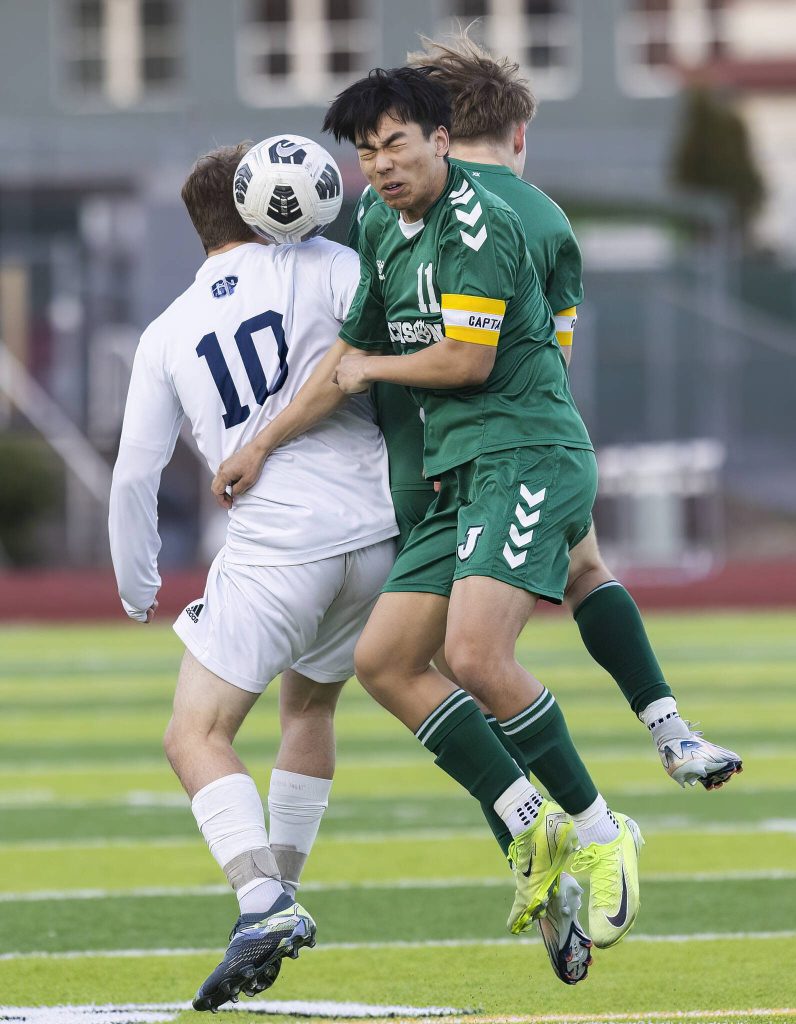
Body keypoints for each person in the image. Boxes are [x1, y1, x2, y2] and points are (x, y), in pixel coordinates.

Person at [213, 68, 644, 953]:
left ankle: (605, 834)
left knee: (476, 654)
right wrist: (264, 441)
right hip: (455, 472)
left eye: (396, 143)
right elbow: (350, 351)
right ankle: (533, 825)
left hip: (522, 450)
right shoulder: (377, 221)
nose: (381, 165)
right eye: (367, 152)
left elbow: (465, 361)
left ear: (443, 139)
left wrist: (368, 372)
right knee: (385, 664)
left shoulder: (480, 221)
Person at [108, 141, 398, 1011]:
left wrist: (136, 586)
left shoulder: (166, 331)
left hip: (279, 544)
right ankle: (280, 897)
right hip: (376, 531)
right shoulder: (332, 264)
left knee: (193, 736)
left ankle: (263, 902)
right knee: (308, 706)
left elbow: (133, 473)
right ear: (271, 204)